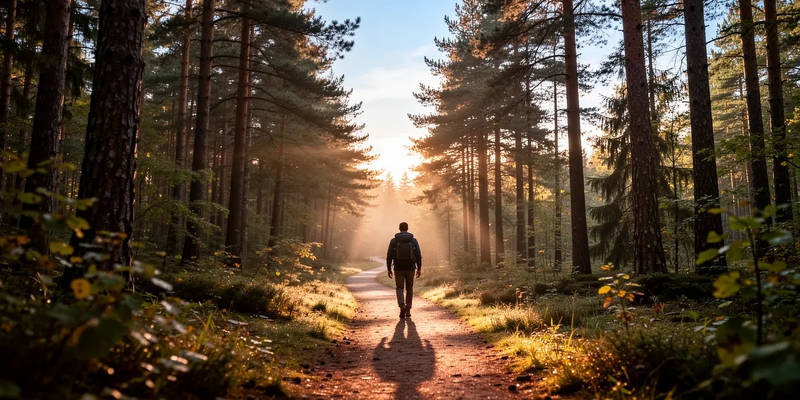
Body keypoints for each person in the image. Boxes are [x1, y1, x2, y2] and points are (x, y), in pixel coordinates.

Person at [386, 222, 422, 319]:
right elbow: (418, 255)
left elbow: (389, 256)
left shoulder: (394, 241)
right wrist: (419, 268)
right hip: (410, 268)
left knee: (399, 288)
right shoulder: (413, 240)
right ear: (407, 228)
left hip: (398, 268)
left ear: (399, 229)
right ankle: (408, 309)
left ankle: (402, 305)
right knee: (409, 289)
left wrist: (389, 269)